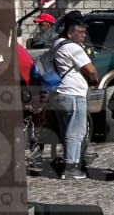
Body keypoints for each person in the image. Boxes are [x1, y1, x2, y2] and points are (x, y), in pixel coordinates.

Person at [42, 17, 99, 180]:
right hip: (73, 93)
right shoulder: (73, 48)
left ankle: (68, 162)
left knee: (67, 130)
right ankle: (71, 168)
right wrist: (94, 81)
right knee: (76, 132)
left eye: (84, 32)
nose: (83, 36)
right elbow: (91, 70)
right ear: (69, 33)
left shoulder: (57, 43)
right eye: (80, 32)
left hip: (60, 93)